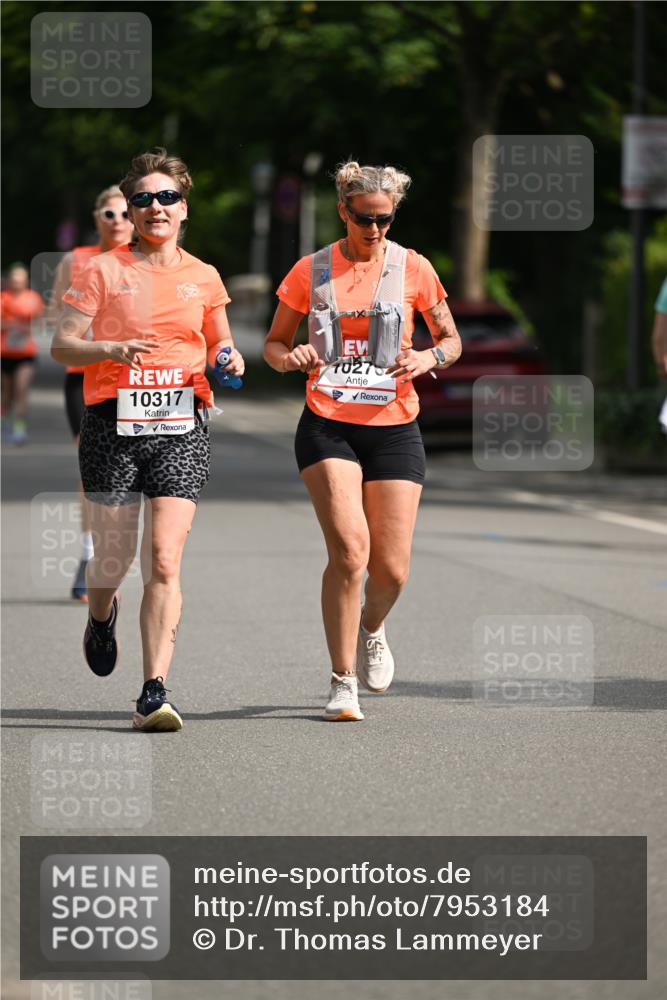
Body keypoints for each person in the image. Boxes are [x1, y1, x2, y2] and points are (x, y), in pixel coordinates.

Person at [51, 148, 244, 732]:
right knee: (113, 561)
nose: (155, 207)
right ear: (130, 211)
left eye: (166, 198)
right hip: (112, 423)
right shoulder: (103, 270)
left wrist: (228, 360)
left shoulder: (204, 276)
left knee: (164, 558)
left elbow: (221, 346)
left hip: (182, 425)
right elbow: (62, 346)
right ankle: (101, 614)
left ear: (184, 208)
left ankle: (153, 691)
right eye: (142, 199)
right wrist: (108, 349)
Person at [264, 160, 462, 721]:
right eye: (364, 218)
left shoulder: (413, 267)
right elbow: (275, 344)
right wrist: (291, 357)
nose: (374, 230)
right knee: (351, 552)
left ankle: (371, 627)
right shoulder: (313, 269)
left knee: (392, 569)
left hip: (395, 424)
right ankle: (341, 680)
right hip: (327, 423)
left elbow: (451, 339)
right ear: (343, 210)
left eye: (385, 219)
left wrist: (429, 356)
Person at [49, 186, 134, 601]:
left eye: (123, 213)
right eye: (108, 213)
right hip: (84, 377)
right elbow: (56, 317)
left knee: (137, 471)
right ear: (97, 217)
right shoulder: (76, 260)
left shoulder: (145, 259)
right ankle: (89, 554)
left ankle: (124, 549)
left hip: (137, 381)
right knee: (92, 475)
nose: (117, 220)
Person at [1, 264, 44, 444]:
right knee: (7, 395)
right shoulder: (3, 298)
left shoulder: (33, 298)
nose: (17, 283)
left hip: (26, 353)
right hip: (5, 353)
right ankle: (7, 423)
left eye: (21, 280)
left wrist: (25, 326)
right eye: (14, 279)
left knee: (21, 391)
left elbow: (39, 322)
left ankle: (20, 430)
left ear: (25, 281)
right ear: (10, 280)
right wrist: (11, 325)